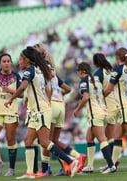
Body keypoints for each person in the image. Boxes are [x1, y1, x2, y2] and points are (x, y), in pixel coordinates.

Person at [5, 46, 79, 179]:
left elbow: (22, 87)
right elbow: (47, 90)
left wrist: (11, 98)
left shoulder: (29, 71)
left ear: (27, 60)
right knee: (28, 140)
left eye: (21, 59)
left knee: (45, 142)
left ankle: (71, 161)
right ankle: (29, 172)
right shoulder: (39, 71)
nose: (19, 62)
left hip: (40, 111)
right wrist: (47, 102)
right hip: (38, 111)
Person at [33, 43, 86, 176]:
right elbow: (67, 89)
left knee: (45, 141)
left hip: (51, 104)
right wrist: (59, 96)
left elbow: (47, 81)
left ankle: (47, 168)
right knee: (53, 140)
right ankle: (74, 158)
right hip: (60, 104)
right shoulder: (53, 69)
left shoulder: (40, 67)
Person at [73, 62, 116, 174]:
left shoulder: (84, 81)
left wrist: (77, 109)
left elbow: (86, 97)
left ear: (82, 71)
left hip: (95, 114)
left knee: (102, 139)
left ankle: (111, 165)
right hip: (103, 111)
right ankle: (90, 166)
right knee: (89, 138)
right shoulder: (96, 80)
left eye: (78, 71)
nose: (77, 73)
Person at [92, 53, 121, 173]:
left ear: (94, 63)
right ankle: (112, 161)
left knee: (102, 137)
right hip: (116, 105)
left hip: (107, 107)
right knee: (110, 137)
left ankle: (111, 163)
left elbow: (97, 91)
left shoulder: (98, 74)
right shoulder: (110, 71)